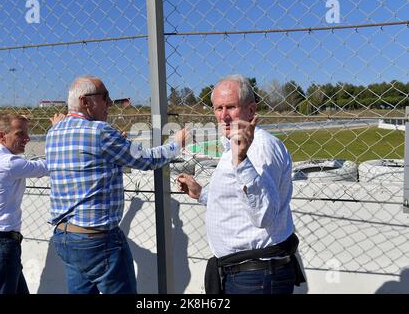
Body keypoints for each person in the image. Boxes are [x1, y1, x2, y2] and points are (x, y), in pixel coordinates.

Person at [45, 75, 189, 294]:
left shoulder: (54, 132)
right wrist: (176, 143)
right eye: (105, 97)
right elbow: (147, 160)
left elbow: (89, 164)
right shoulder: (100, 131)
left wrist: (116, 144)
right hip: (97, 240)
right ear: (86, 101)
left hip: (65, 237)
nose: (110, 103)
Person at [177, 74, 305, 294]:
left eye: (231, 107)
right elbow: (239, 200)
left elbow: (264, 215)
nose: (223, 116)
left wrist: (242, 160)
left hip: (256, 277)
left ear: (251, 110)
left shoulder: (260, 148)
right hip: (246, 274)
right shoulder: (235, 147)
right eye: (218, 108)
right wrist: (201, 194)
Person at [0, 112, 64, 294]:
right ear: (1, 135)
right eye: (20, 133)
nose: (27, 138)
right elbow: (50, 165)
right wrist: (57, 130)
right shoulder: (7, 163)